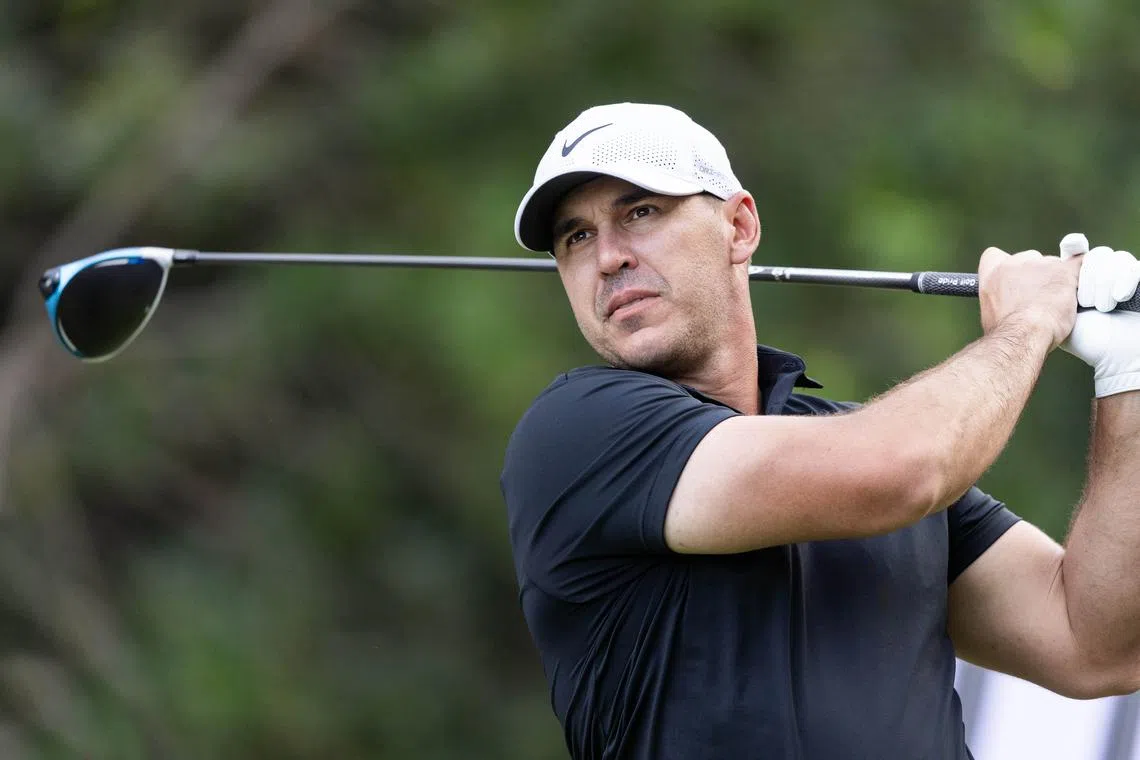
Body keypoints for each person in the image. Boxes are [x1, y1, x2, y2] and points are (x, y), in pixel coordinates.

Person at [499, 102, 1140, 759]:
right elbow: (906, 468)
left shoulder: (851, 439)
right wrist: (1029, 322)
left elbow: (1096, 644)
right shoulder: (578, 433)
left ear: (739, 226)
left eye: (641, 212)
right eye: (576, 237)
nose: (607, 258)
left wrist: (1128, 374)